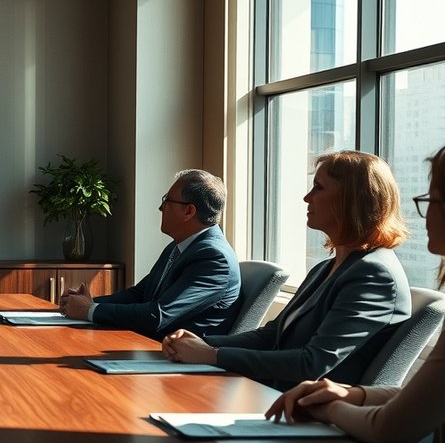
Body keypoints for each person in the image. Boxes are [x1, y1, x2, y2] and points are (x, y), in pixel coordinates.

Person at [267, 133, 445, 443]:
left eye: (431, 199)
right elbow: (425, 395)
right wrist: (354, 394)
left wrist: (325, 407)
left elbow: (391, 431)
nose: (425, 212)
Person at [164, 150, 411, 389]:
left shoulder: (374, 275)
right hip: (276, 397)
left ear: (352, 198)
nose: (307, 198)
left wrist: (213, 355)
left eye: (319, 187)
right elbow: (272, 336)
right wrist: (198, 344)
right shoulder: (326, 267)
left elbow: (312, 364)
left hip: (310, 416)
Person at [60, 169, 241, 340]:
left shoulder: (214, 258)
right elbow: (140, 294)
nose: (161, 208)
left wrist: (90, 310)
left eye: (167, 201)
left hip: (178, 359)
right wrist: (85, 303)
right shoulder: (179, 246)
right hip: (150, 345)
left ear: (189, 211)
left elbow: (158, 315)